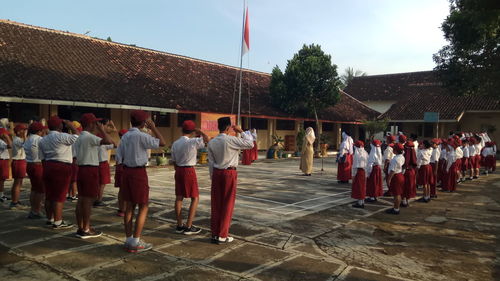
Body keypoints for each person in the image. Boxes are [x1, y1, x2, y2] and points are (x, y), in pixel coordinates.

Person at [116, 110, 165, 253]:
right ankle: (136, 241)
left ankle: (128, 239)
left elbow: (119, 157)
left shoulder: (125, 136)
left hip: (127, 171)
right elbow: (162, 142)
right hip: (138, 172)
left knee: (129, 207)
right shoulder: (141, 136)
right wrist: (154, 128)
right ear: (144, 123)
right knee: (143, 205)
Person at [208, 117, 253, 244]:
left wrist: (212, 177)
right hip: (229, 173)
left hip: (217, 173)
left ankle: (215, 233)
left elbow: (210, 162)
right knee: (228, 204)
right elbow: (250, 144)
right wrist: (242, 131)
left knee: (216, 204)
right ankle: (223, 234)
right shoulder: (230, 140)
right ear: (228, 128)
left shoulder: (212, 142)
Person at [73, 113, 113, 239]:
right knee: (87, 201)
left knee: (81, 200)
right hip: (90, 169)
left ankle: (81, 227)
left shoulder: (80, 137)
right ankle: (86, 228)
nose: (97, 125)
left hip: (82, 169)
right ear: (90, 124)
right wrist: (102, 130)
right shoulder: (89, 137)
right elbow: (108, 141)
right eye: (95, 123)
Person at [39, 116, 80, 229]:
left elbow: (42, 158)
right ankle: (58, 221)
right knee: (59, 195)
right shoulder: (63, 136)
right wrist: (70, 124)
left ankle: (50, 218)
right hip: (61, 166)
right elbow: (77, 136)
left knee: (49, 195)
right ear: (60, 126)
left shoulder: (43, 140)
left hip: (48, 165)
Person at [171, 120, 208, 235]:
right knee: (195, 197)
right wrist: (200, 131)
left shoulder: (175, 143)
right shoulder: (193, 141)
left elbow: (174, 161)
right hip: (189, 170)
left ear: (182, 129)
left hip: (179, 170)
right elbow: (207, 140)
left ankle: (179, 225)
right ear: (192, 131)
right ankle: (188, 226)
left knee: (179, 198)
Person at [24, 122, 46, 219]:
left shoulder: (28, 139)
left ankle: (33, 210)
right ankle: (36, 211)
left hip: (29, 164)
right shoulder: (39, 139)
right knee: (40, 190)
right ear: (39, 131)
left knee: (34, 189)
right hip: (38, 165)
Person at [94, 119, 117, 207]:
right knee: (102, 183)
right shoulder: (104, 139)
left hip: (95, 163)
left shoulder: (94, 137)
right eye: (107, 125)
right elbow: (114, 144)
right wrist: (104, 131)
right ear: (102, 126)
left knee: (97, 183)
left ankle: (95, 198)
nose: (108, 127)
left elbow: (114, 130)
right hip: (102, 163)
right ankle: (98, 200)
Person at [10, 124, 28, 209]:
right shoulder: (17, 139)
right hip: (18, 161)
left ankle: (16, 200)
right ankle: (14, 202)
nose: (24, 131)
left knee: (19, 182)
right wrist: (25, 135)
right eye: (23, 130)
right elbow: (24, 144)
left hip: (21, 161)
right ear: (18, 132)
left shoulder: (18, 139)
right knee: (17, 183)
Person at [385, 143, 405, 215]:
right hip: (399, 174)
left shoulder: (395, 159)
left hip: (395, 176)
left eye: (394, 149)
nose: (393, 149)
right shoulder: (401, 157)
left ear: (396, 150)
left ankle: (396, 209)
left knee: (396, 194)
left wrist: (389, 179)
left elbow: (392, 170)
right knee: (398, 193)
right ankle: (396, 207)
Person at [114, 129, 128, 217]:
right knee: (125, 190)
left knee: (121, 190)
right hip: (124, 167)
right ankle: (124, 209)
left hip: (119, 166)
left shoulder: (120, 143)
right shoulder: (126, 144)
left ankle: (121, 208)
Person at [68, 121, 82, 202]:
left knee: (71, 178)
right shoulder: (76, 138)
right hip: (75, 160)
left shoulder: (68, 137)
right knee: (74, 179)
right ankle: (74, 195)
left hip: (70, 159)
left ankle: (70, 194)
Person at [351, 140, 368, 208]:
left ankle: (360, 203)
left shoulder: (356, 154)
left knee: (359, 187)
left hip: (358, 172)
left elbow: (355, 166)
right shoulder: (365, 152)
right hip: (364, 171)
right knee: (362, 187)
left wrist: (353, 176)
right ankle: (362, 201)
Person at [402, 140, 416, 207]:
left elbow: (405, 163)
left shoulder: (406, 153)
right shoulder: (413, 153)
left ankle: (404, 200)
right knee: (409, 186)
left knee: (405, 186)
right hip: (412, 171)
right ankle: (407, 200)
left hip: (406, 171)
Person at [0, 127, 12, 202]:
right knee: (1, 179)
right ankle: (1, 196)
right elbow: (10, 146)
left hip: (3, 160)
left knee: (2, 179)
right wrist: (7, 137)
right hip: (2, 160)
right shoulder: (1, 142)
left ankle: (1, 194)